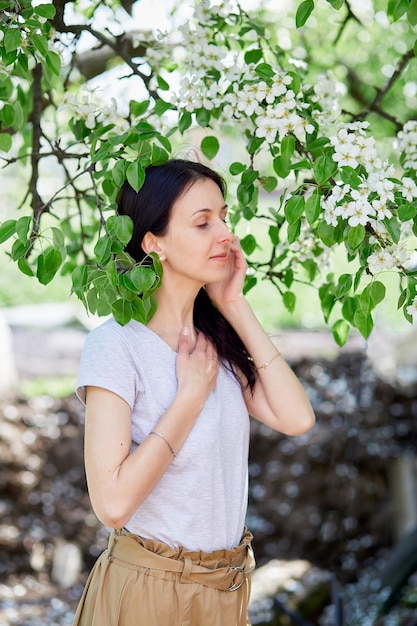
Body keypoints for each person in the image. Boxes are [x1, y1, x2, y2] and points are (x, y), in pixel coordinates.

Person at [72, 158, 316, 626]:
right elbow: (113, 504)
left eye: (223, 217)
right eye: (203, 223)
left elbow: (296, 418)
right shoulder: (116, 345)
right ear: (152, 242)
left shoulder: (216, 343)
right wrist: (188, 399)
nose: (225, 233)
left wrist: (234, 303)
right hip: (150, 591)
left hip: (225, 590)